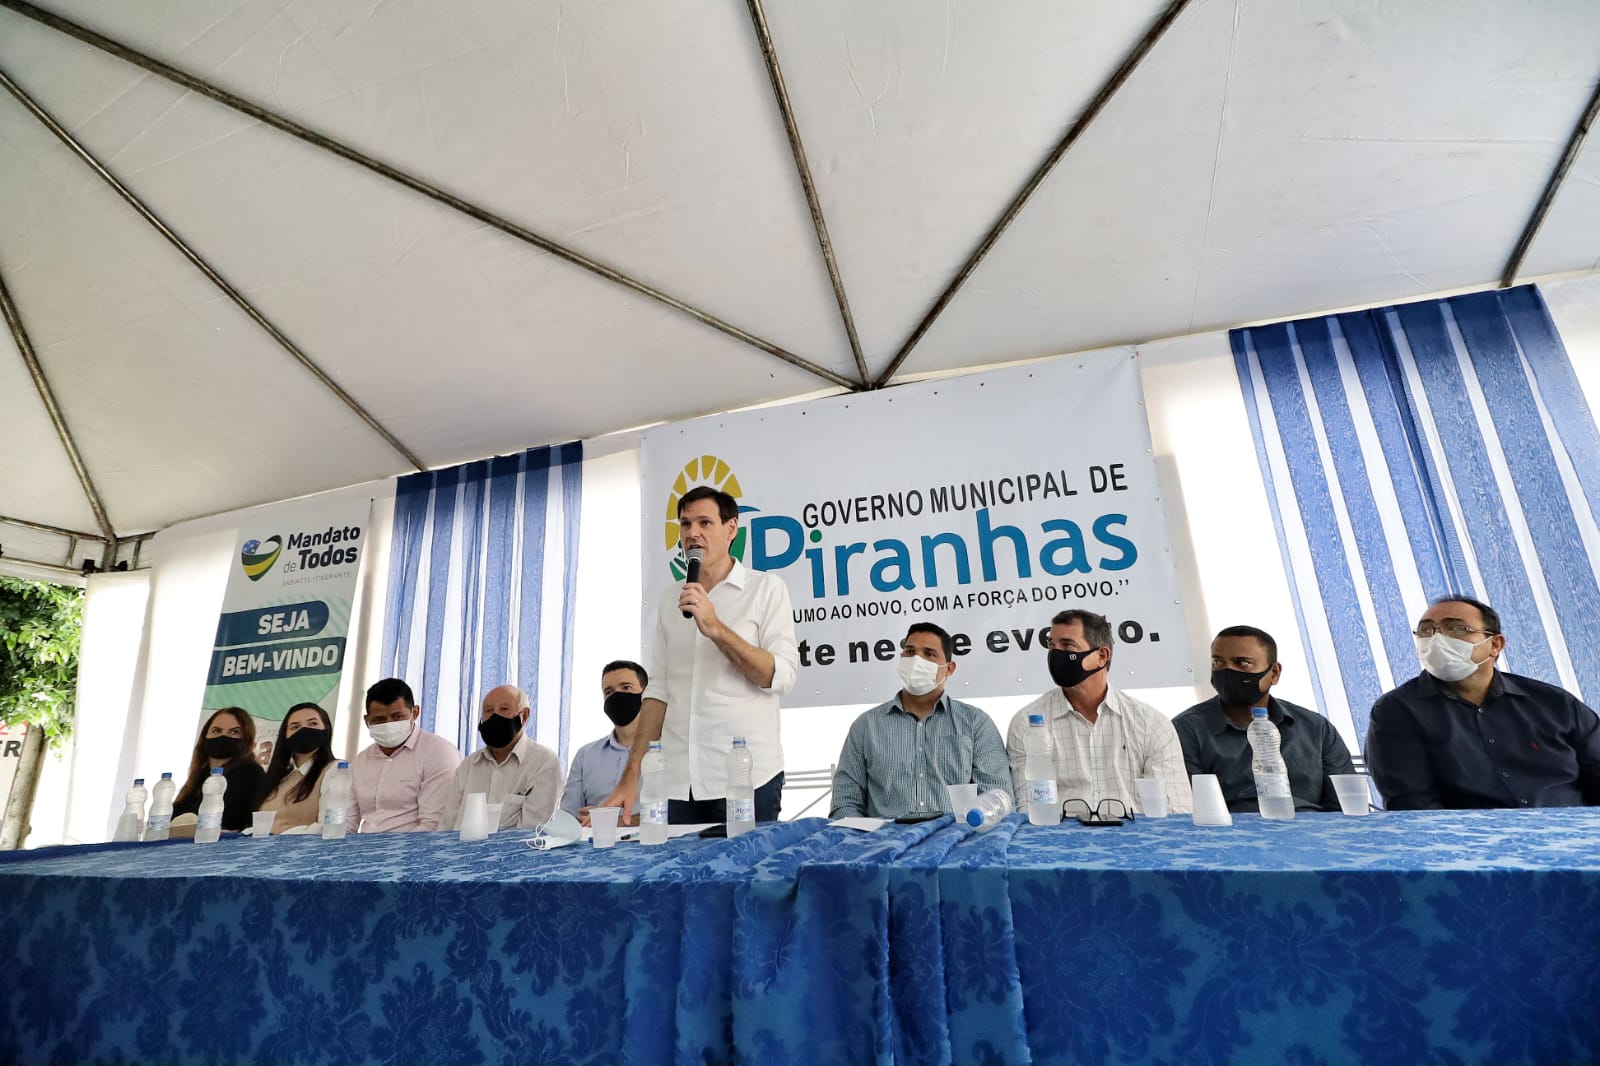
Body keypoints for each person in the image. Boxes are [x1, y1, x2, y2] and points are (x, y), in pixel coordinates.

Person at [602, 486, 799, 823]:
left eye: (705, 523)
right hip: (678, 781)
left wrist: (716, 628)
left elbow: (780, 676)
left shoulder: (766, 589)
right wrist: (631, 775)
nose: (692, 533)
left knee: (748, 861)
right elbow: (658, 692)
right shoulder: (670, 599)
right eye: (685, 524)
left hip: (745, 778)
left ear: (731, 529)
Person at [1366, 596, 1600, 809]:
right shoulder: (1397, 711)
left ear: (1495, 645)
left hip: (1572, 833)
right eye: (1426, 631)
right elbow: (1413, 803)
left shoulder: (1555, 703)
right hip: (1469, 839)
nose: (1437, 639)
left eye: (1456, 628)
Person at [1007, 609, 1192, 815]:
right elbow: (1028, 810)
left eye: (1067, 645)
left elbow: (1175, 811)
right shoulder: (1027, 724)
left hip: (1134, 832)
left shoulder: (1151, 725)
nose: (1055, 654)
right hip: (1059, 833)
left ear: (1102, 656)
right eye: (1052, 645)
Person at [831, 622, 1012, 818]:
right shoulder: (867, 726)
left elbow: (997, 797)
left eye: (929, 654)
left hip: (957, 835)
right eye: (910, 652)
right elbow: (845, 802)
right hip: (885, 836)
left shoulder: (976, 723)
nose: (917, 660)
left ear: (949, 668)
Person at [1172, 625, 1355, 812]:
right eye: (1217, 663)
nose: (1227, 671)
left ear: (1274, 673)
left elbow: (1345, 806)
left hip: (1311, 826)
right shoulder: (1186, 730)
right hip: (1231, 828)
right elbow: (1189, 808)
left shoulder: (1315, 728)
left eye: (1242, 663)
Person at [441, 685, 563, 830]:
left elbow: (532, 833)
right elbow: (446, 826)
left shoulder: (544, 763)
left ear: (524, 716)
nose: (495, 716)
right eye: (488, 710)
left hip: (513, 846)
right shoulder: (469, 765)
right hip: (457, 844)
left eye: (504, 709)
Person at [349, 678, 461, 832]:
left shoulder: (438, 753)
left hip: (415, 845)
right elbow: (347, 821)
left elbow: (434, 825)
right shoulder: (360, 762)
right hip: (364, 845)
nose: (388, 725)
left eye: (397, 717)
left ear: (415, 713)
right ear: (367, 721)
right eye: (379, 720)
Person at [561, 660, 649, 824]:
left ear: (646, 694)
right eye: (609, 692)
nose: (616, 696)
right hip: (593, 839)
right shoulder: (585, 756)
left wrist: (615, 820)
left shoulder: (666, 752)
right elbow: (568, 818)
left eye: (626, 687)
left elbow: (675, 816)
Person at [172, 706, 268, 832]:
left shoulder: (251, 774)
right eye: (216, 731)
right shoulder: (200, 776)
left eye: (234, 732)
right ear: (204, 736)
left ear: (246, 740)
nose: (223, 736)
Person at [255, 702, 340, 833]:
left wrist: (281, 835)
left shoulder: (335, 770)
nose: (303, 730)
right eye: (295, 727)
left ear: (326, 729)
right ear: (285, 736)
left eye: (313, 723)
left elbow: (329, 828)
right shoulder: (279, 778)